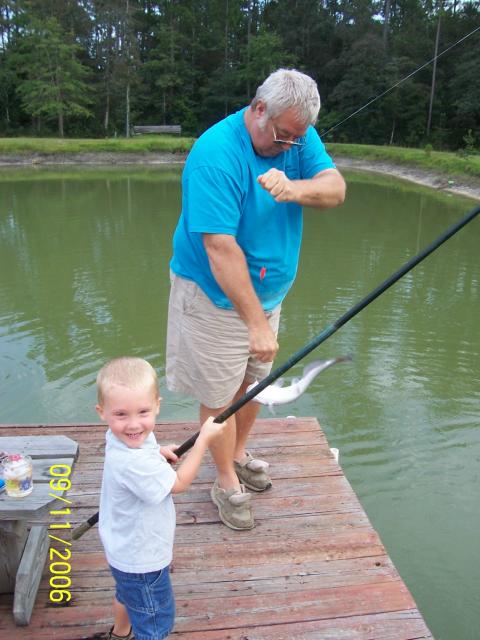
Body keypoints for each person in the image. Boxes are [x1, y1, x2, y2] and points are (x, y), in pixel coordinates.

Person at [166, 68, 346, 532]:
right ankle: (225, 479)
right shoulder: (215, 155)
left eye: (296, 140)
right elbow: (219, 248)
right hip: (215, 297)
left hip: (269, 294)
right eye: (282, 136)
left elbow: (335, 189)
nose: (288, 146)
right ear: (258, 109)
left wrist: (295, 187)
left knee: (254, 385)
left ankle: (239, 452)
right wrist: (256, 324)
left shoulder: (296, 135)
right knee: (220, 396)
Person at [96, 356, 226, 640]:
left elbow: (141, 455)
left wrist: (157, 452)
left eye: (143, 412)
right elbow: (178, 483)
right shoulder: (133, 460)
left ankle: (119, 633)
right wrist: (203, 441)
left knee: (127, 595)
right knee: (155, 623)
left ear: (157, 405)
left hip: (123, 549)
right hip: (142, 558)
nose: (133, 425)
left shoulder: (123, 440)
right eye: (121, 415)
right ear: (101, 412)